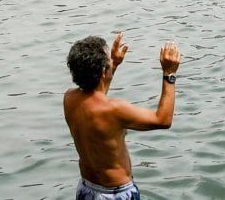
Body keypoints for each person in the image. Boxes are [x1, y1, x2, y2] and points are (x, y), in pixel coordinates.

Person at [63, 33, 181, 200]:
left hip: (85, 189)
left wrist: (114, 64)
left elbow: (96, 95)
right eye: (108, 60)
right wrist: (169, 73)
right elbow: (163, 120)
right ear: (104, 72)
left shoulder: (69, 99)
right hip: (116, 194)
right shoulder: (115, 109)